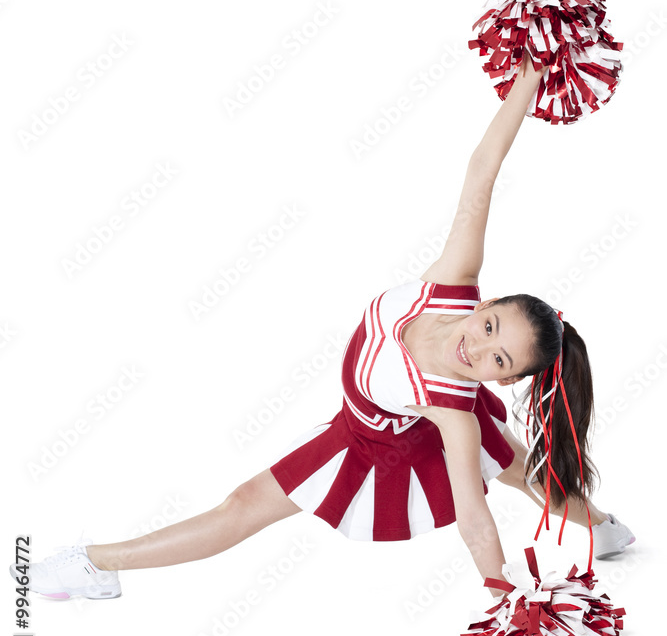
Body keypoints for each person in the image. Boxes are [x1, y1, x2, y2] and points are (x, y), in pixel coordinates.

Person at [10, 53, 634, 603]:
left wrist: (503, 595)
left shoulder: (455, 411)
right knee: (527, 473)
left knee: (241, 509)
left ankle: (96, 564)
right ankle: (603, 525)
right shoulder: (451, 284)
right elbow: (482, 169)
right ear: (484, 301)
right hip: (361, 415)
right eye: (492, 325)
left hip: (371, 446)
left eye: (500, 361)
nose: (478, 347)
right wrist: (533, 70)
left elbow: (474, 517)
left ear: (507, 381)